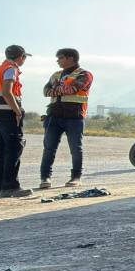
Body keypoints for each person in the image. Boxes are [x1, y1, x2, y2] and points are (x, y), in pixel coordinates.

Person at [39, 48, 93, 189]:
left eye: (60, 57)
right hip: (53, 116)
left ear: (71, 58)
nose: (58, 60)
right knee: (49, 148)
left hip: (74, 117)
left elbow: (73, 89)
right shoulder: (56, 75)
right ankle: (45, 178)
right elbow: (45, 91)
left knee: (76, 149)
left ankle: (76, 177)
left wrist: (56, 89)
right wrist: (62, 89)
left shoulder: (84, 74)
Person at [0, 45, 31, 197]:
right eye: (24, 57)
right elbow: (7, 92)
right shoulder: (11, 69)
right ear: (21, 57)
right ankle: (10, 187)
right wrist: (17, 111)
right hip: (8, 114)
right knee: (13, 150)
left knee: (1, 150)